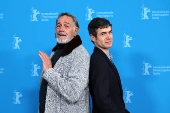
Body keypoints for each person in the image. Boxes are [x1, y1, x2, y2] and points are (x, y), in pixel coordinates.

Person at [38, 13, 90, 113]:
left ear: (75, 31)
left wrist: (48, 71)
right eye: (58, 25)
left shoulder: (80, 55)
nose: (61, 29)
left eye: (66, 26)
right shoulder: (56, 51)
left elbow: (73, 92)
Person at [88, 18, 130, 113]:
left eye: (109, 32)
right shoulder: (98, 62)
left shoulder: (104, 59)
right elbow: (103, 101)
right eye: (103, 34)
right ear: (93, 37)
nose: (108, 37)